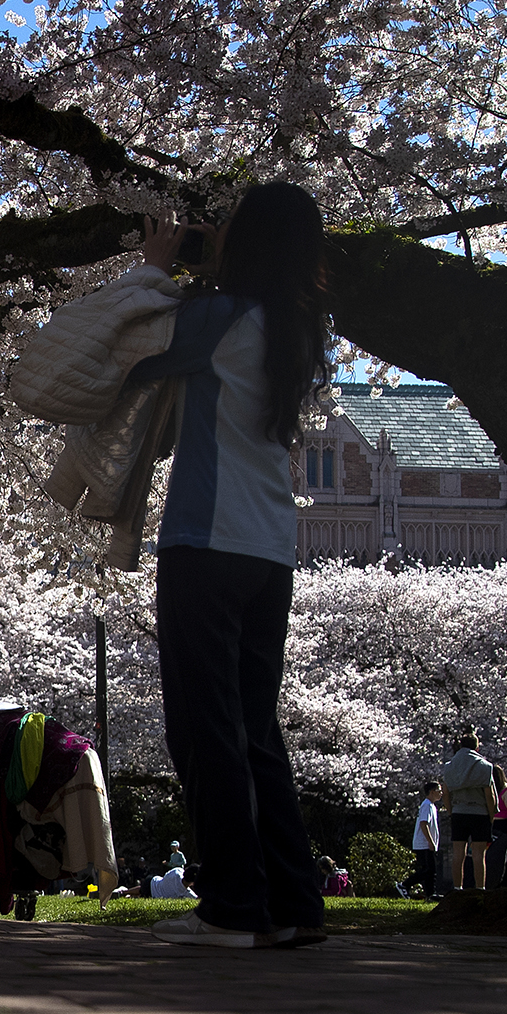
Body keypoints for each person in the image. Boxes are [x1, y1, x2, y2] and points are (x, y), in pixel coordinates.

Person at [116, 185, 333, 949]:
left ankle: (234, 907)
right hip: (270, 549)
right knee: (254, 728)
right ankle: (294, 901)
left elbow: (134, 348)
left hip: (205, 540)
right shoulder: (303, 327)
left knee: (205, 725)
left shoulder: (217, 320)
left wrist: (152, 265)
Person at [441, 730, 496, 894]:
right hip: (479, 813)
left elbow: (445, 793)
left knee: (458, 853)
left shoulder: (450, 766)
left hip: (458, 811)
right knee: (479, 854)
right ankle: (480, 888)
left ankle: (457, 888)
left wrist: (451, 812)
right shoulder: (484, 766)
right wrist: (491, 815)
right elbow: (490, 794)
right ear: (477, 748)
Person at [411, 782, 444, 896]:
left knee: (430, 871)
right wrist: (430, 841)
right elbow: (423, 823)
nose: (441, 793)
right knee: (428, 870)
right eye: (439, 791)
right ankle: (405, 884)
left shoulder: (431, 806)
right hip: (424, 844)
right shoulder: (427, 805)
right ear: (432, 792)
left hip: (426, 843)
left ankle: (430, 894)